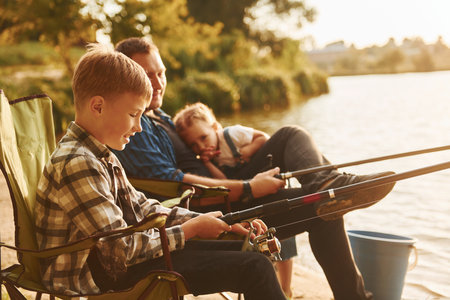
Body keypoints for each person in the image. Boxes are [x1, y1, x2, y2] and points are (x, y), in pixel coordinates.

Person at [113, 37, 396, 300]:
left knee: (290, 137)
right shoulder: (135, 128)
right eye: (147, 75)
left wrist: (236, 150)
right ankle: (331, 193)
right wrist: (249, 187)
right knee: (323, 206)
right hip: (214, 206)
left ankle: (327, 181)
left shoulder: (159, 115)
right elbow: (175, 185)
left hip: (225, 181)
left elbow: (202, 145)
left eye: (160, 73)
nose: (158, 82)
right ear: (126, 77)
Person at [34, 43, 287, 299]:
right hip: (97, 276)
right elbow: (121, 252)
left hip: (112, 263)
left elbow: (142, 208)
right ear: (97, 107)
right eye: (134, 114)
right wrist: (191, 230)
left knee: (244, 249)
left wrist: (221, 222)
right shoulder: (78, 162)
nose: (138, 127)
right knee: (255, 268)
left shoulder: (99, 153)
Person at [173, 101, 297, 297]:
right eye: (193, 145)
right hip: (245, 191)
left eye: (204, 138)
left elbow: (262, 138)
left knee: (287, 243)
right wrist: (207, 162)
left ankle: (287, 288)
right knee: (275, 243)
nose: (201, 146)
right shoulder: (208, 158)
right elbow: (223, 182)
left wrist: (245, 152)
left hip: (264, 178)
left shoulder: (231, 134)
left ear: (215, 127)